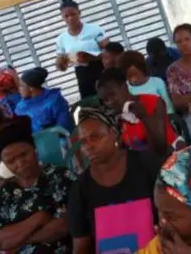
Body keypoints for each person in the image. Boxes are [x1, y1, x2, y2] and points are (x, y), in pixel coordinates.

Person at [69, 106, 162, 254]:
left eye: (95, 137)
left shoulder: (147, 166)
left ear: (113, 133)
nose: (89, 146)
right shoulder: (80, 188)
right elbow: (81, 246)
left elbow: (170, 221)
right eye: (84, 141)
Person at [0, 118, 75, 253]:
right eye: (11, 161)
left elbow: (65, 225)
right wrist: (39, 218)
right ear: (4, 164)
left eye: (24, 154)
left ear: (34, 148)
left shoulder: (61, 177)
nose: (20, 163)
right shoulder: (2, 197)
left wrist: (20, 240)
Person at [98, 67, 178, 154]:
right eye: (105, 100)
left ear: (124, 87)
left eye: (112, 94)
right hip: (142, 162)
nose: (110, 102)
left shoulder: (154, 102)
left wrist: (144, 118)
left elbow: (161, 148)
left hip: (169, 156)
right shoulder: (118, 117)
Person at [55, 0, 109, 99]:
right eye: (66, 16)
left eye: (73, 14)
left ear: (79, 13)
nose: (70, 18)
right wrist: (65, 61)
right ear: (62, 18)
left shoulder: (94, 29)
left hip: (101, 71)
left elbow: (110, 52)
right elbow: (61, 65)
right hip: (82, 77)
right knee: (91, 107)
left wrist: (91, 57)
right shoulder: (61, 39)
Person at [166, 24, 191, 143]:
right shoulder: (172, 70)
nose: (183, 44)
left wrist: (190, 96)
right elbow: (178, 102)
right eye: (179, 41)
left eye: (187, 39)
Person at [16, 67, 75, 133]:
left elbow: (65, 126)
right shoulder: (20, 107)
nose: (18, 89)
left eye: (21, 86)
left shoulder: (55, 100)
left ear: (31, 88)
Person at [119, 50, 175, 114]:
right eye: (129, 76)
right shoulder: (124, 89)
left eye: (135, 75)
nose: (133, 79)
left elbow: (169, 108)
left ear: (142, 70)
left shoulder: (157, 82)